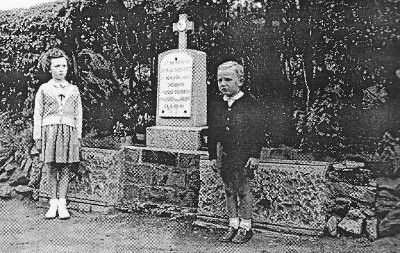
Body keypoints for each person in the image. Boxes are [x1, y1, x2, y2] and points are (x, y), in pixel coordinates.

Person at [208, 61, 265, 244]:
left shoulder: (250, 103)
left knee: (243, 191)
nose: (223, 84)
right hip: (225, 155)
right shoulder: (217, 104)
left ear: (240, 81)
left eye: (228, 79)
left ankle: (246, 227)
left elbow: (258, 131)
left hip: (244, 156)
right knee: (229, 190)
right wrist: (211, 156)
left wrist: (255, 155)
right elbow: (213, 132)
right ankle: (233, 225)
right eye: (219, 80)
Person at [33, 48, 83, 219]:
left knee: (66, 168)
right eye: (57, 66)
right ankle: (52, 203)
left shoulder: (74, 90)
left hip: (68, 131)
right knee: (51, 167)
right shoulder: (44, 89)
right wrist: (38, 137)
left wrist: (78, 136)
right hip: (50, 132)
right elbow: (37, 115)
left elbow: (78, 114)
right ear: (50, 68)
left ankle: (62, 203)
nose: (61, 69)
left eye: (64, 66)